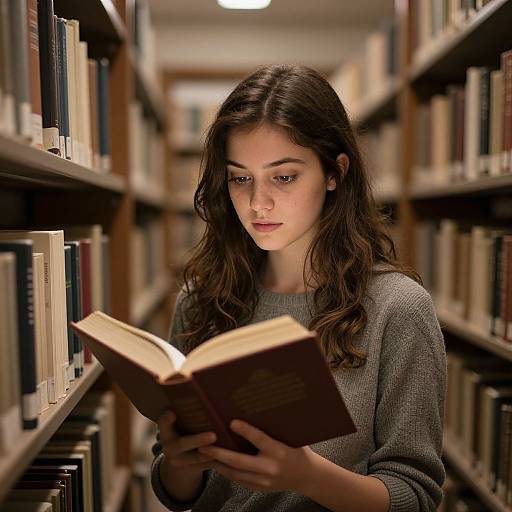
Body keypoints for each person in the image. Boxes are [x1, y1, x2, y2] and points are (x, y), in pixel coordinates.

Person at [151, 64, 446, 512]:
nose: (257, 203)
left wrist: (307, 477)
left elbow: (417, 497)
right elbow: (176, 492)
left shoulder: (397, 308)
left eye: (284, 177)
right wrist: (179, 462)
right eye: (240, 177)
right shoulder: (201, 299)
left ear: (334, 172)